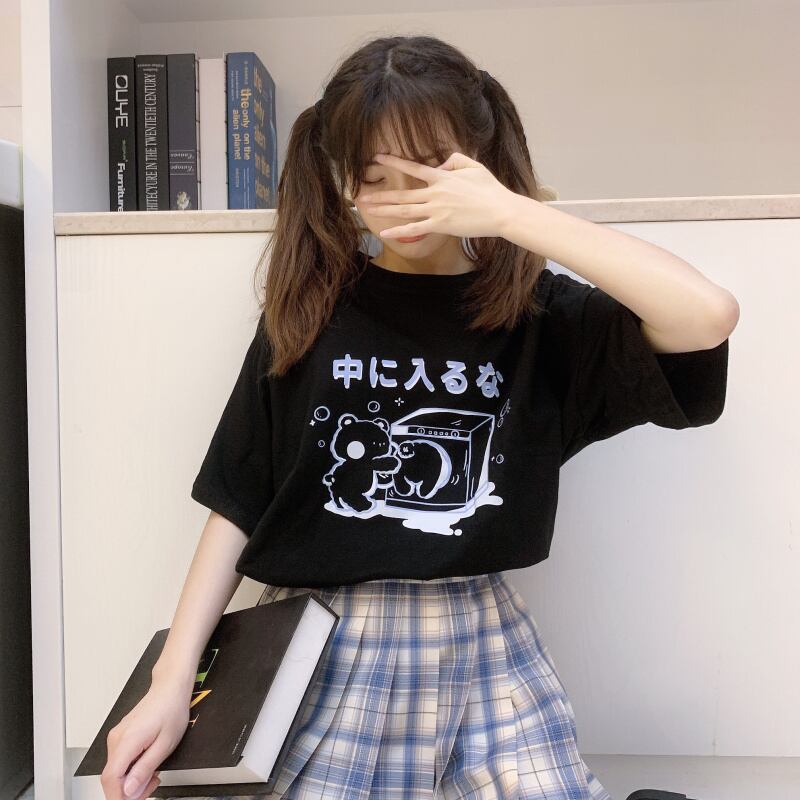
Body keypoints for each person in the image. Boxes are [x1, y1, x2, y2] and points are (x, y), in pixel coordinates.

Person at [102, 33, 737, 800]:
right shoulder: (311, 312)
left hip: (485, 644)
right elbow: (239, 495)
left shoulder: (537, 318)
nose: (402, 201)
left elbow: (707, 315)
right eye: (374, 177)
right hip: (327, 648)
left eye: (430, 172)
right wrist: (173, 679)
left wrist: (511, 214)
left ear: (478, 163)